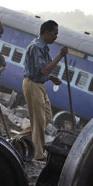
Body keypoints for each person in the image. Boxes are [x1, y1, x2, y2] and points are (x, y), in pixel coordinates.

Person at [21, 20, 68, 161]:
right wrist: (60, 56)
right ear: (46, 32)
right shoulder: (37, 47)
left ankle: (19, 139)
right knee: (39, 121)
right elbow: (43, 69)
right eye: (55, 34)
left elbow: (43, 71)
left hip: (39, 84)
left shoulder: (44, 47)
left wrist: (51, 78)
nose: (56, 37)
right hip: (33, 85)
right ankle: (38, 153)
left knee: (46, 117)